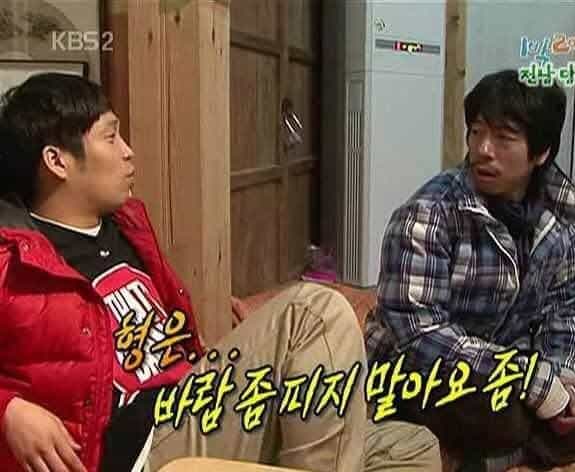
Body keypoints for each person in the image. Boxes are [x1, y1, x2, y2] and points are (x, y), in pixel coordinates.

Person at [0, 73, 441, 472]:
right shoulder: (12, 257)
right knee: (314, 310)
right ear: (57, 161)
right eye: (111, 137)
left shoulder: (126, 230)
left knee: (410, 447)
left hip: (198, 400)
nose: (128, 151)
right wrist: (8, 410)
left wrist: (249, 352)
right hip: (142, 443)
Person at [365, 69, 575, 471]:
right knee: (503, 415)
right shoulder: (428, 213)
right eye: (476, 132)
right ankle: (516, 445)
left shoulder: (563, 219)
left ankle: (498, 456)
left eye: (504, 138)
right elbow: (421, 335)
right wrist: (531, 382)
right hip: (424, 373)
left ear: (541, 152)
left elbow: (564, 312)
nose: (483, 150)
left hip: (510, 368)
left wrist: (562, 379)